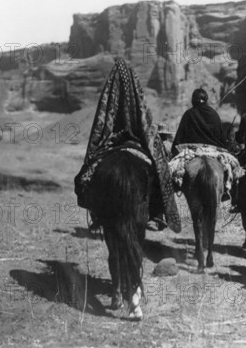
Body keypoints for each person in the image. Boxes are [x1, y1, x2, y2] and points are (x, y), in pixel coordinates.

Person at [74, 57, 180, 233]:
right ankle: (156, 214)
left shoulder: (109, 94)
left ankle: (97, 213)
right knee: (161, 170)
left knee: (87, 175)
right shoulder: (137, 94)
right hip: (138, 141)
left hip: (112, 142)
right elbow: (146, 122)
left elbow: (101, 126)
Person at [171, 88, 226, 156]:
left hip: (190, 152)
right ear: (206, 100)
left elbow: (179, 139)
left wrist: (174, 150)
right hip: (214, 152)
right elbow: (221, 138)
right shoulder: (214, 114)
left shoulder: (188, 114)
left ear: (193, 100)